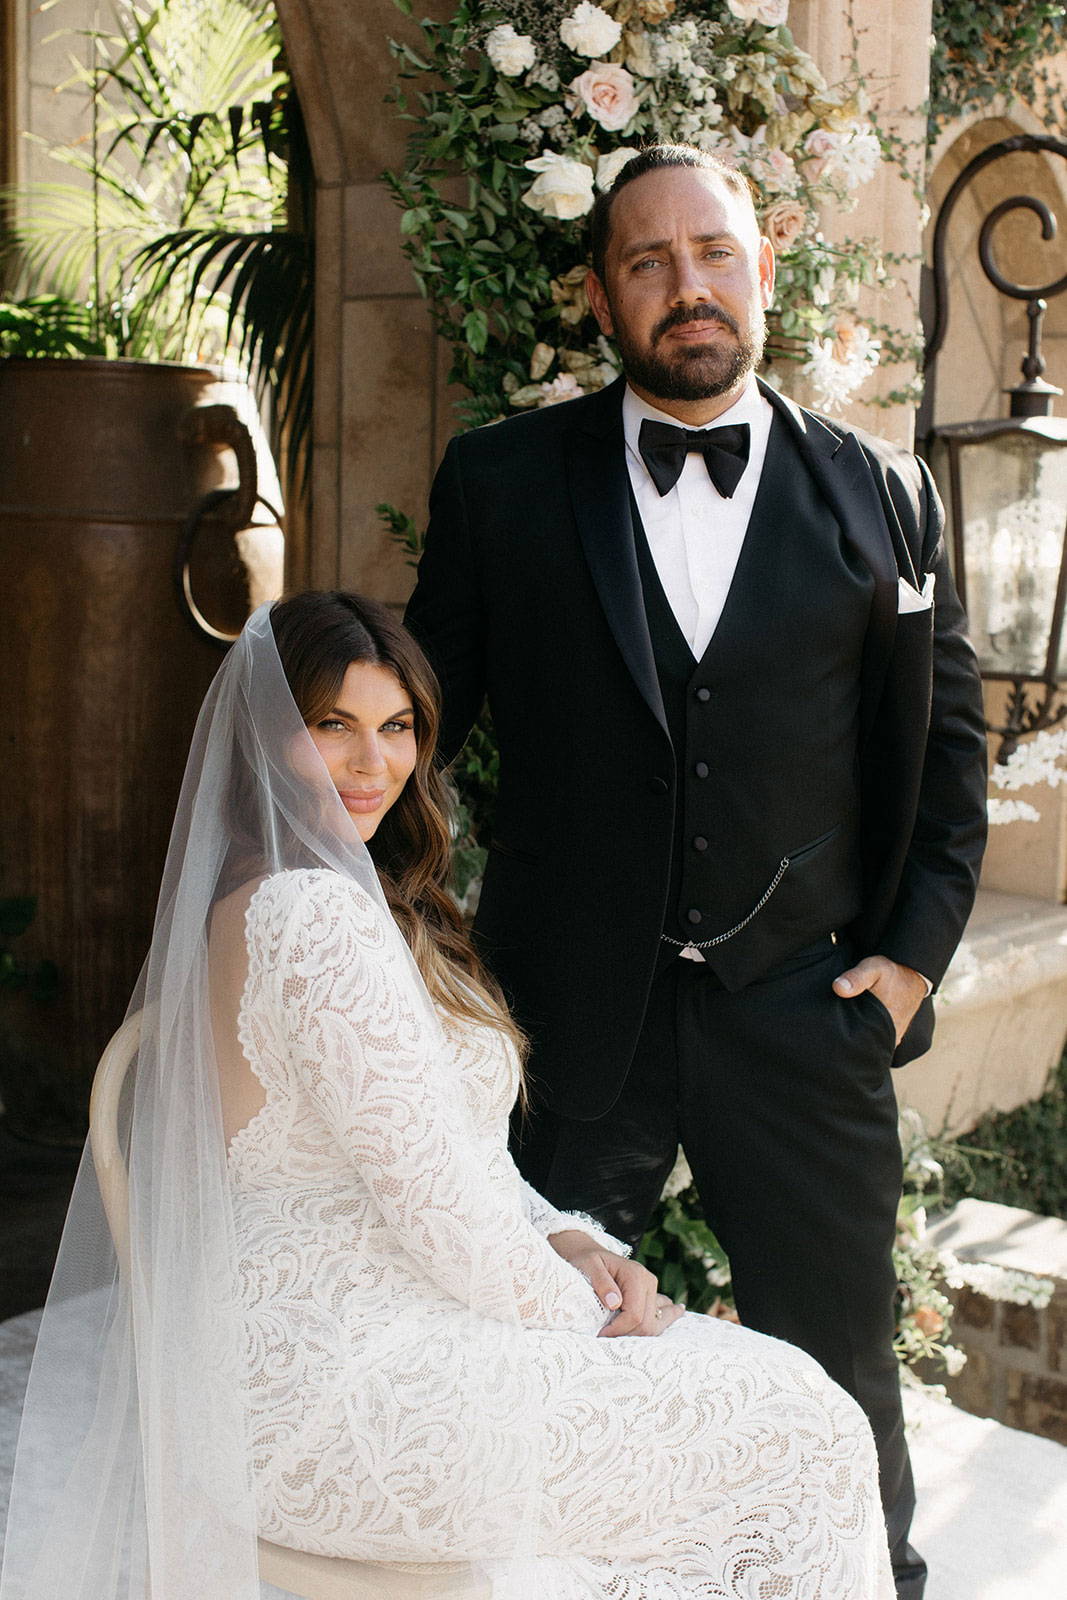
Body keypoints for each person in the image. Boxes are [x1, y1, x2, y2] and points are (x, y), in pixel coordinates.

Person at [1, 591, 895, 1600]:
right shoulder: (311, 917)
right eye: (329, 726)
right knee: (802, 1422)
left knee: (775, 1404)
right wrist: (603, 1322)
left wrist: (570, 1238)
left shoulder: (313, 895)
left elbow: (457, 1154)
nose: (370, 763)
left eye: (396, 728)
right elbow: (446, 1221)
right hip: (330, 1391)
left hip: (356, 1342)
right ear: (267, 730)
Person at [405, 145, 989, 1599]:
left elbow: (949, 750)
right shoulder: (499, 482)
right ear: (599, 291)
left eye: (712, 253)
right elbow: (405, 741)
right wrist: (409, 958)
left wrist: (903, 967)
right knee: (534, 1363)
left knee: (842, 1380)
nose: (686, 289)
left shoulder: (884, 498)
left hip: (801, 1012)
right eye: (648, 262)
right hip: (561, 1014)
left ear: (764, 268)